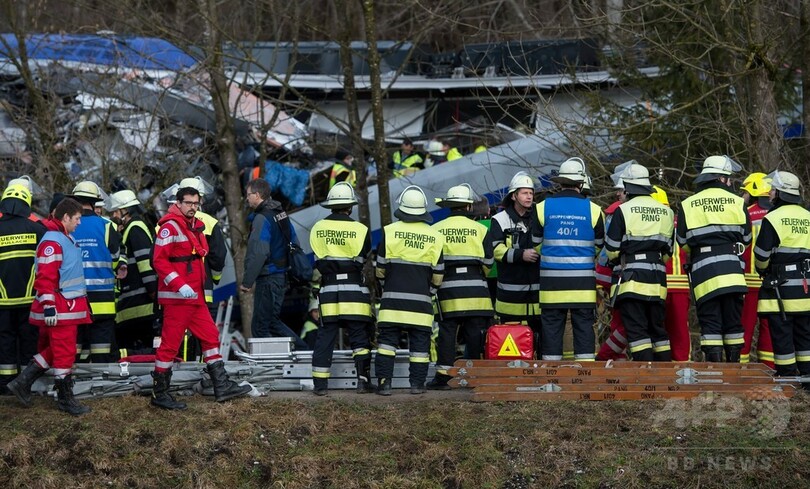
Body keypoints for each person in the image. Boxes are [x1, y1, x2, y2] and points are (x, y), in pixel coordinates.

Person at [150, 186, 250, 410]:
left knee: (210, 335)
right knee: (170, 345)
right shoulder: (170, 227)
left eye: (196, 204)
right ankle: (160, 393)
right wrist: (180, 284)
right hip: (178, 298)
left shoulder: (193, 226)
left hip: (193, 297)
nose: (193, 207)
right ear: (177, 203)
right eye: (189, 203)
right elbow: (159, 261)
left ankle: (221, 385)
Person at [8, 198, 92, 415]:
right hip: (61, 308)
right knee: (63, 352)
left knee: (55, 350)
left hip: (65, 306)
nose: (79, 223)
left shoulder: (61, 238)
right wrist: (49, 306)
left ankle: (23, 382)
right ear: (65, 218)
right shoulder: (53, 242)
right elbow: (45, 277)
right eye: (77, 218)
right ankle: (65, 400)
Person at [677, 155, 751, 362]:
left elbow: (682, 241)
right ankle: (734, 372)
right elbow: (746, 238)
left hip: (703, 271)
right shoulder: (737, 202)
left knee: (710, 322)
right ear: (721, 178)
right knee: (733, 322)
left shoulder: (688, 203)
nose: (730, 182)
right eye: (729, 178)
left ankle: (715, 372)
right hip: (733, 271)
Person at [375, 185, 444, 395]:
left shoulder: (389, 232)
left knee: (387, 345)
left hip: (392, 303)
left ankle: (385, 384)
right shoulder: (435, 236)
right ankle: (416, 385)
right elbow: (439, 275)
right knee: (420, 348)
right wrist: (429, 292)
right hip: (421, 304)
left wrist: (387, 288)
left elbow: (379, 270)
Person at [535, 158, 604, 361]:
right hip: (582, 284)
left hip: (551, 285)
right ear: (581, 183)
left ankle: (551, 379)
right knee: (583, 328)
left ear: (560, 182)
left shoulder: (542, 208)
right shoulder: (594, 209)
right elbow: (599, 245)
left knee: (552, 330)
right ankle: (585, 378)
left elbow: (535, 243)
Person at [604, 163, 674, 361]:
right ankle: (664, 377)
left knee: (637, 332)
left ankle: (647, 379)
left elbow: (611, 250)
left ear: (627, 187)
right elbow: (669, 252)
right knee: (659, 332)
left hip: (631, 280)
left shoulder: (623, 211)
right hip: (658, 281)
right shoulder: (666, 212)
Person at [309, 182, 373, 395]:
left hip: (328, 291)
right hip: (354, 290)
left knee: (325, 337)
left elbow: (317, 259)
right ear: (350, 206)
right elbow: (363, 258)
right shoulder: (361, 230)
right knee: (359, 338)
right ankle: (363, 382)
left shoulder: (318, 228)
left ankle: (320, 386)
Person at [427, 184, 494, 390]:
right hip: (477, 292)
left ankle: (444, 377)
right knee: (475, 334)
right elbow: (489, 263)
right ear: (468, 207)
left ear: (449, 207)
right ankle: (471, 376)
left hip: (448, 291)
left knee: (447, 333)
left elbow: (433, 263)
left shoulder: (435, 230)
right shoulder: (481, 229)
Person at [755, 170, 810, 380]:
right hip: (807, 290)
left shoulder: (773, 218)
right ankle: (807, 377)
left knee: (782, 333)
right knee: (805, 334)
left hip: (781, 290)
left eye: (772, 190)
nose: (769, 193)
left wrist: (763, 270)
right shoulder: (808, 216)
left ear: (779, 193)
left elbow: (761, 255)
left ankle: (787, 377)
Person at [241, 178, 308, 349]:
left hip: (268, 277)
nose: (247, 198)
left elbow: (259, 252)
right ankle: (303, 350)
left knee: (260, 326)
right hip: (280, 275)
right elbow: (293, 240)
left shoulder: (262, 219)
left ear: (257, 195)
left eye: (248, 195)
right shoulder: (280, 213)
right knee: (272, 322)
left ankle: (273, 364)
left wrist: (247, 281)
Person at [70, 181, 126, 362]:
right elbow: (116, 257)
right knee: (101, 346)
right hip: (102, 299)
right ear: (95, 203)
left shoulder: (68, 226)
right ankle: (101, 382)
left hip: (74, 297)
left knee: (75, 344)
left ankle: (74, 383)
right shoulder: (107, 225)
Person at [0, 182, 46, 393]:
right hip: (31, 300)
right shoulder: (37, 229)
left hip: (2, 302)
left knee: (5, 343)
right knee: (30, 342)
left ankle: (5, 386)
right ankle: (28, 384)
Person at [489, 172, 541, 334]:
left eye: (531, 193)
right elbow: (496, 250)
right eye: (524, 193)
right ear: (514, 196)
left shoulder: (540, 217)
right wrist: (521, 255)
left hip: (537, 300)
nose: (529, 197)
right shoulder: (500, 220)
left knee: (540, 343)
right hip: (510, 298)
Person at [108, 190, 157, 353]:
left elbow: (145, 263)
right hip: (132, 307)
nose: (114, 215)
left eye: (115, 211)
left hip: (140, 307)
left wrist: (153, 292)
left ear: (124, 211)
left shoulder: (136, 228)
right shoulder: (129, 229)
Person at [739, 172, 774, 368]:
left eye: (745, 191)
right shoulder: (777, 214)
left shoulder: (745, 213)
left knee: (745, 327)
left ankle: (740, 371)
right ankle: (769, 371)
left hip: (748, 280)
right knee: (770, 328)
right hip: (772, 282)